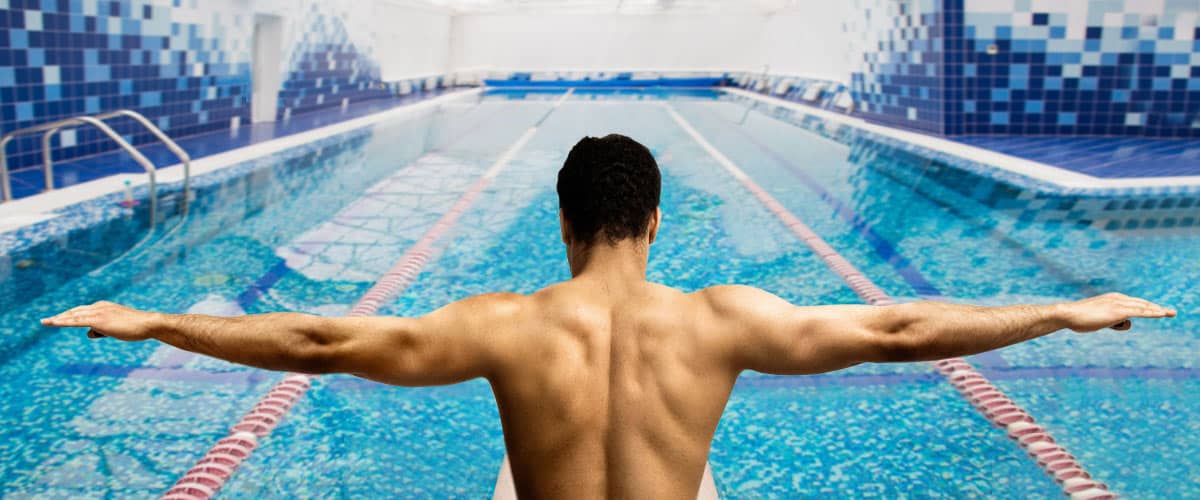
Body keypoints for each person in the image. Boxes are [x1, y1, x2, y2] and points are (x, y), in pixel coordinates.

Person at [42, 134, 1175, 499]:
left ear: (562, 218)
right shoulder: (720, 317)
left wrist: (150, 320)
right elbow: (899, 331)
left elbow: (320, 340)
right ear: (658, 221)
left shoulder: (506, 322)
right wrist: (1065, 310)